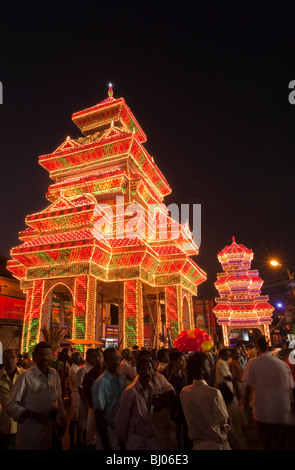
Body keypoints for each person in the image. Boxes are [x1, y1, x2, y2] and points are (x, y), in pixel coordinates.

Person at [5, 341, 66, 450]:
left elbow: (58, 400)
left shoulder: (54, 374)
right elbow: (11, 406)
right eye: (42, 355)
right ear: (34, 357)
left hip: (52, 431)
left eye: (48, 354)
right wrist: (34, 415)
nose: (45, 358)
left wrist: (63, 419)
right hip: (32, 434)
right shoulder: (25, 376)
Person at [243, 335, 294, 450]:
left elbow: (247, 388)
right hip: (282, 410)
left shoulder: (253, 363)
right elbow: (291, 389)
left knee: (266, 443)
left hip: (263, 411)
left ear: (257, 347)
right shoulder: (283, 364)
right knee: (280, 443)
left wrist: (246, 408)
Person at [180, 351, 231, 450]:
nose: (211, 369)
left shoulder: (184, 393)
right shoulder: (214, 393)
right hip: (216, 444)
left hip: (197, 445)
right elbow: (224, 421)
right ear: (202, 370)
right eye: (208, 366)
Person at [115, 357, 159, 450]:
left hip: (151, 441)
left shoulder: (153, 389)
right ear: (138, 371)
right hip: (136, 442)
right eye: (143, 369)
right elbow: (121, 422)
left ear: (152, 371)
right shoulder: (130, 392)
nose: (146, 372)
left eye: (149, 369)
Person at [91, 348, 126, 450]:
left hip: (121, 431)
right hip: (108, 431)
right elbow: (99, 416)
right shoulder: (101, 383)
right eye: (111, 359)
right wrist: (106, 444)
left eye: (117, 358)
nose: (115, 362)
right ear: (105, 362)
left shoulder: (121, 379)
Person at [162, 350, 189, 449]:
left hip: (184, 408)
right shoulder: (166, 375)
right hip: (173, 410)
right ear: (174, 362)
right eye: (182, 361)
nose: (185, 363)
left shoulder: (185, 374)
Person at [0, 349, 24, 450]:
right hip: (2, 424)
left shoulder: (25, 376)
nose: (9, 360)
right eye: (6, 357)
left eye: (12, 357)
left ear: (17, 359)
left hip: (20, 425)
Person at [82, 348, 104, 449]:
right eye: (95, 356)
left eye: (99, 356)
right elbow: (85, 394)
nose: (97, 358)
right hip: (94, 410)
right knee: (90, 439)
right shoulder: (89, 375)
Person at [76, 348, 97, 446]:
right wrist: (87, 403)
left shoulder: (93, 368)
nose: (95, 358)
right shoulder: (83, 369)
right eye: (94, 356)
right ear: (88, 357)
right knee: (84, 424)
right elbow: (80, 388)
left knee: (88, 427)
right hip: (85, 402)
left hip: (92, 403)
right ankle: (80, 442)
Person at [219, 382, 248, 450]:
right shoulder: (238, 411)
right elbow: (246, 426)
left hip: (228, 446)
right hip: (241, 445)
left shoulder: (220, 414)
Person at [68, 351, 83, 449]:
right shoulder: (73, 369)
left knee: (79, 419)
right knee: (75, 419)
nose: (81, 358)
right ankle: (72, 443)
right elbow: (79, 382)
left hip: (78, 394)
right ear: (75, 359)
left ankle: (78, 440)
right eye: (79, 357)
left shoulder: (77, 368)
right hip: (76, 394)